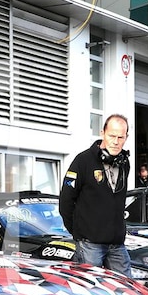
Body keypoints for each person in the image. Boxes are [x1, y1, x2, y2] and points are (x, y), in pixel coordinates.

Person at [60, 114, 132, 277]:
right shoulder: (83, 160)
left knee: (128, 290)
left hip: (117, 244)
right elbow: (66, 201)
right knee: (90, 291)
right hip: (90, 244)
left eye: (120, 137)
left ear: (126, 137)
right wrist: (79, 234)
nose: (116, 141)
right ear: (102, 133)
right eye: (112, 136)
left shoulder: (124, 163)